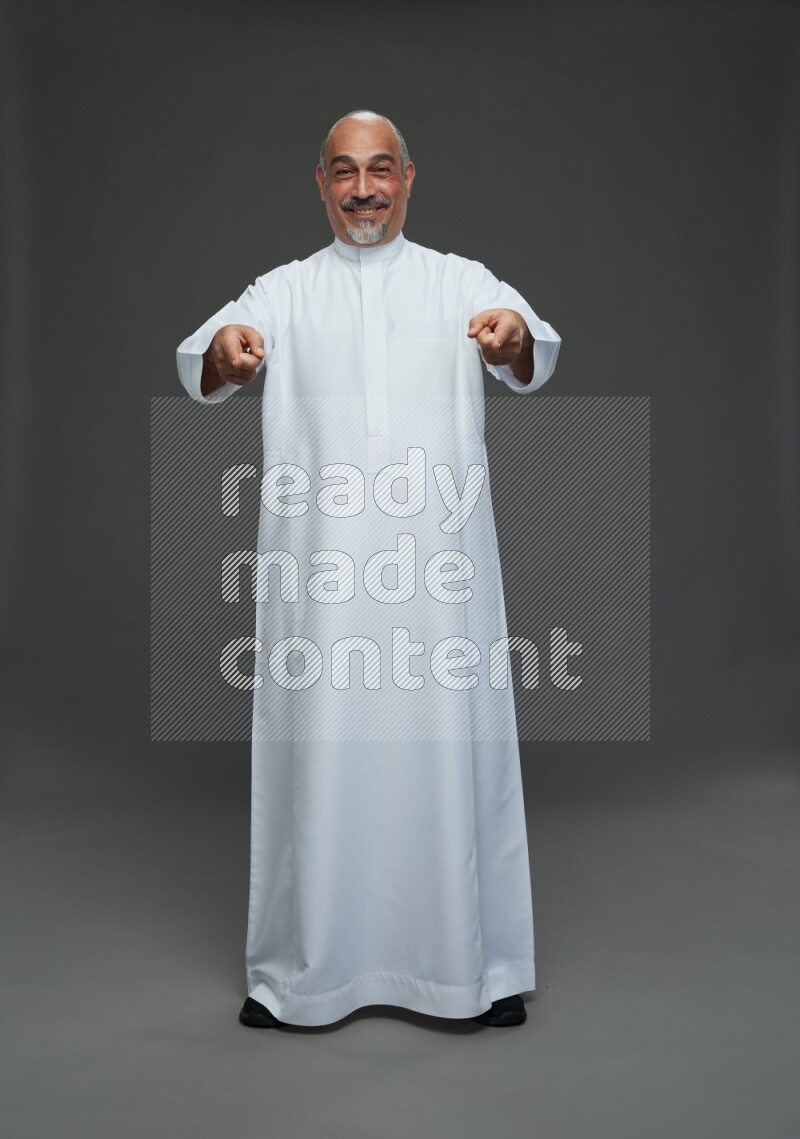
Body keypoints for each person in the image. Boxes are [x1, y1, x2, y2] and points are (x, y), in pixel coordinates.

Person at [176, 110, 561, 1029]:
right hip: (325, 587)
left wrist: (509, 336)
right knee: (322, 754)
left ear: (409, 178)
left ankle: (474, 968)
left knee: (449, 748)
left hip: (437, 579)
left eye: (380, 170)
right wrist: (229, 354)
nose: (363, 189)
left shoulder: (458, 280)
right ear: (320, 183)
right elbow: (215, 351)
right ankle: (304, 975)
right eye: (344, 171)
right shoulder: (285, 291)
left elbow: (526, 342)